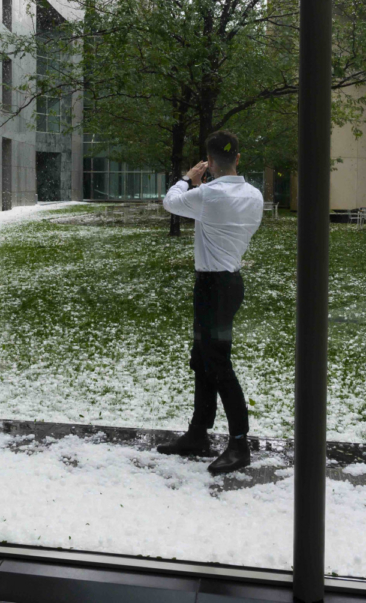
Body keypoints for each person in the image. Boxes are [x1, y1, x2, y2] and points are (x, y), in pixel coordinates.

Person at [157, 130, 264, 474]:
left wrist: (187, 179)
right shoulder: (254, 196)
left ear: (210, 163)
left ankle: (239, 443)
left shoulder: (208, 194)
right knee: (202, 358)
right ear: (239, 158)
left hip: (211, 286)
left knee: (216, 363)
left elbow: (170, 202)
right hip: (230, 282)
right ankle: (198, 433)